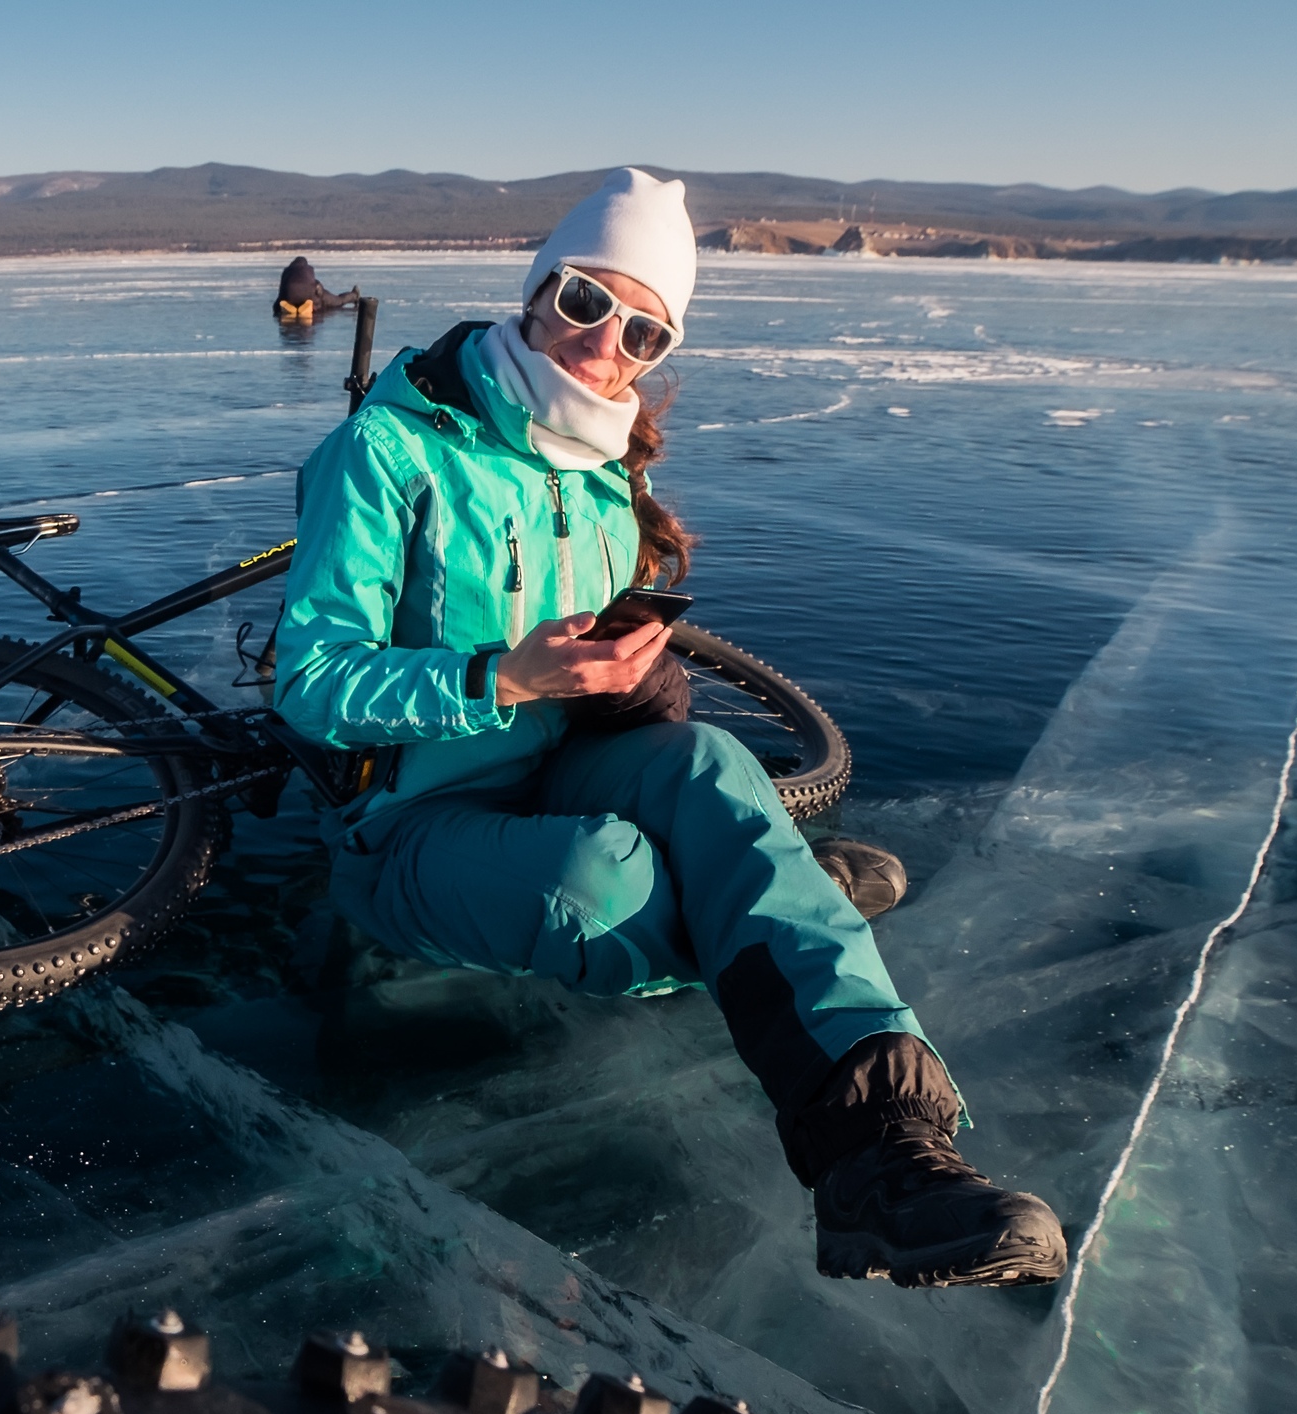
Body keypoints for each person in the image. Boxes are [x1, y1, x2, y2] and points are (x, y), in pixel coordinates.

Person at [273, 168, 1068, 1288]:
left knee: (707, 760)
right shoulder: (389, 453)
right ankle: (769, 899)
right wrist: (500, 676)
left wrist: (622, 681)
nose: (605, 344)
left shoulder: (603, 479)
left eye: (641, 330)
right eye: (587, 303)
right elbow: (310, 681)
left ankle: (882, 1164)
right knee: (597, 883)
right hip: (407, 826)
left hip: (559, 771)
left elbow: (618, 715)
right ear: (539, 287)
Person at [275, 255, 360, 322]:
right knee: (338, 300)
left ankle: (292, 308)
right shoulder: (308, 269)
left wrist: (276, 308)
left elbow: (281, 291)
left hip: (288, 297)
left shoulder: (286, 271)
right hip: (308, 294)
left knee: (285, 300)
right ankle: (354, 295)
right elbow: (315, 284)